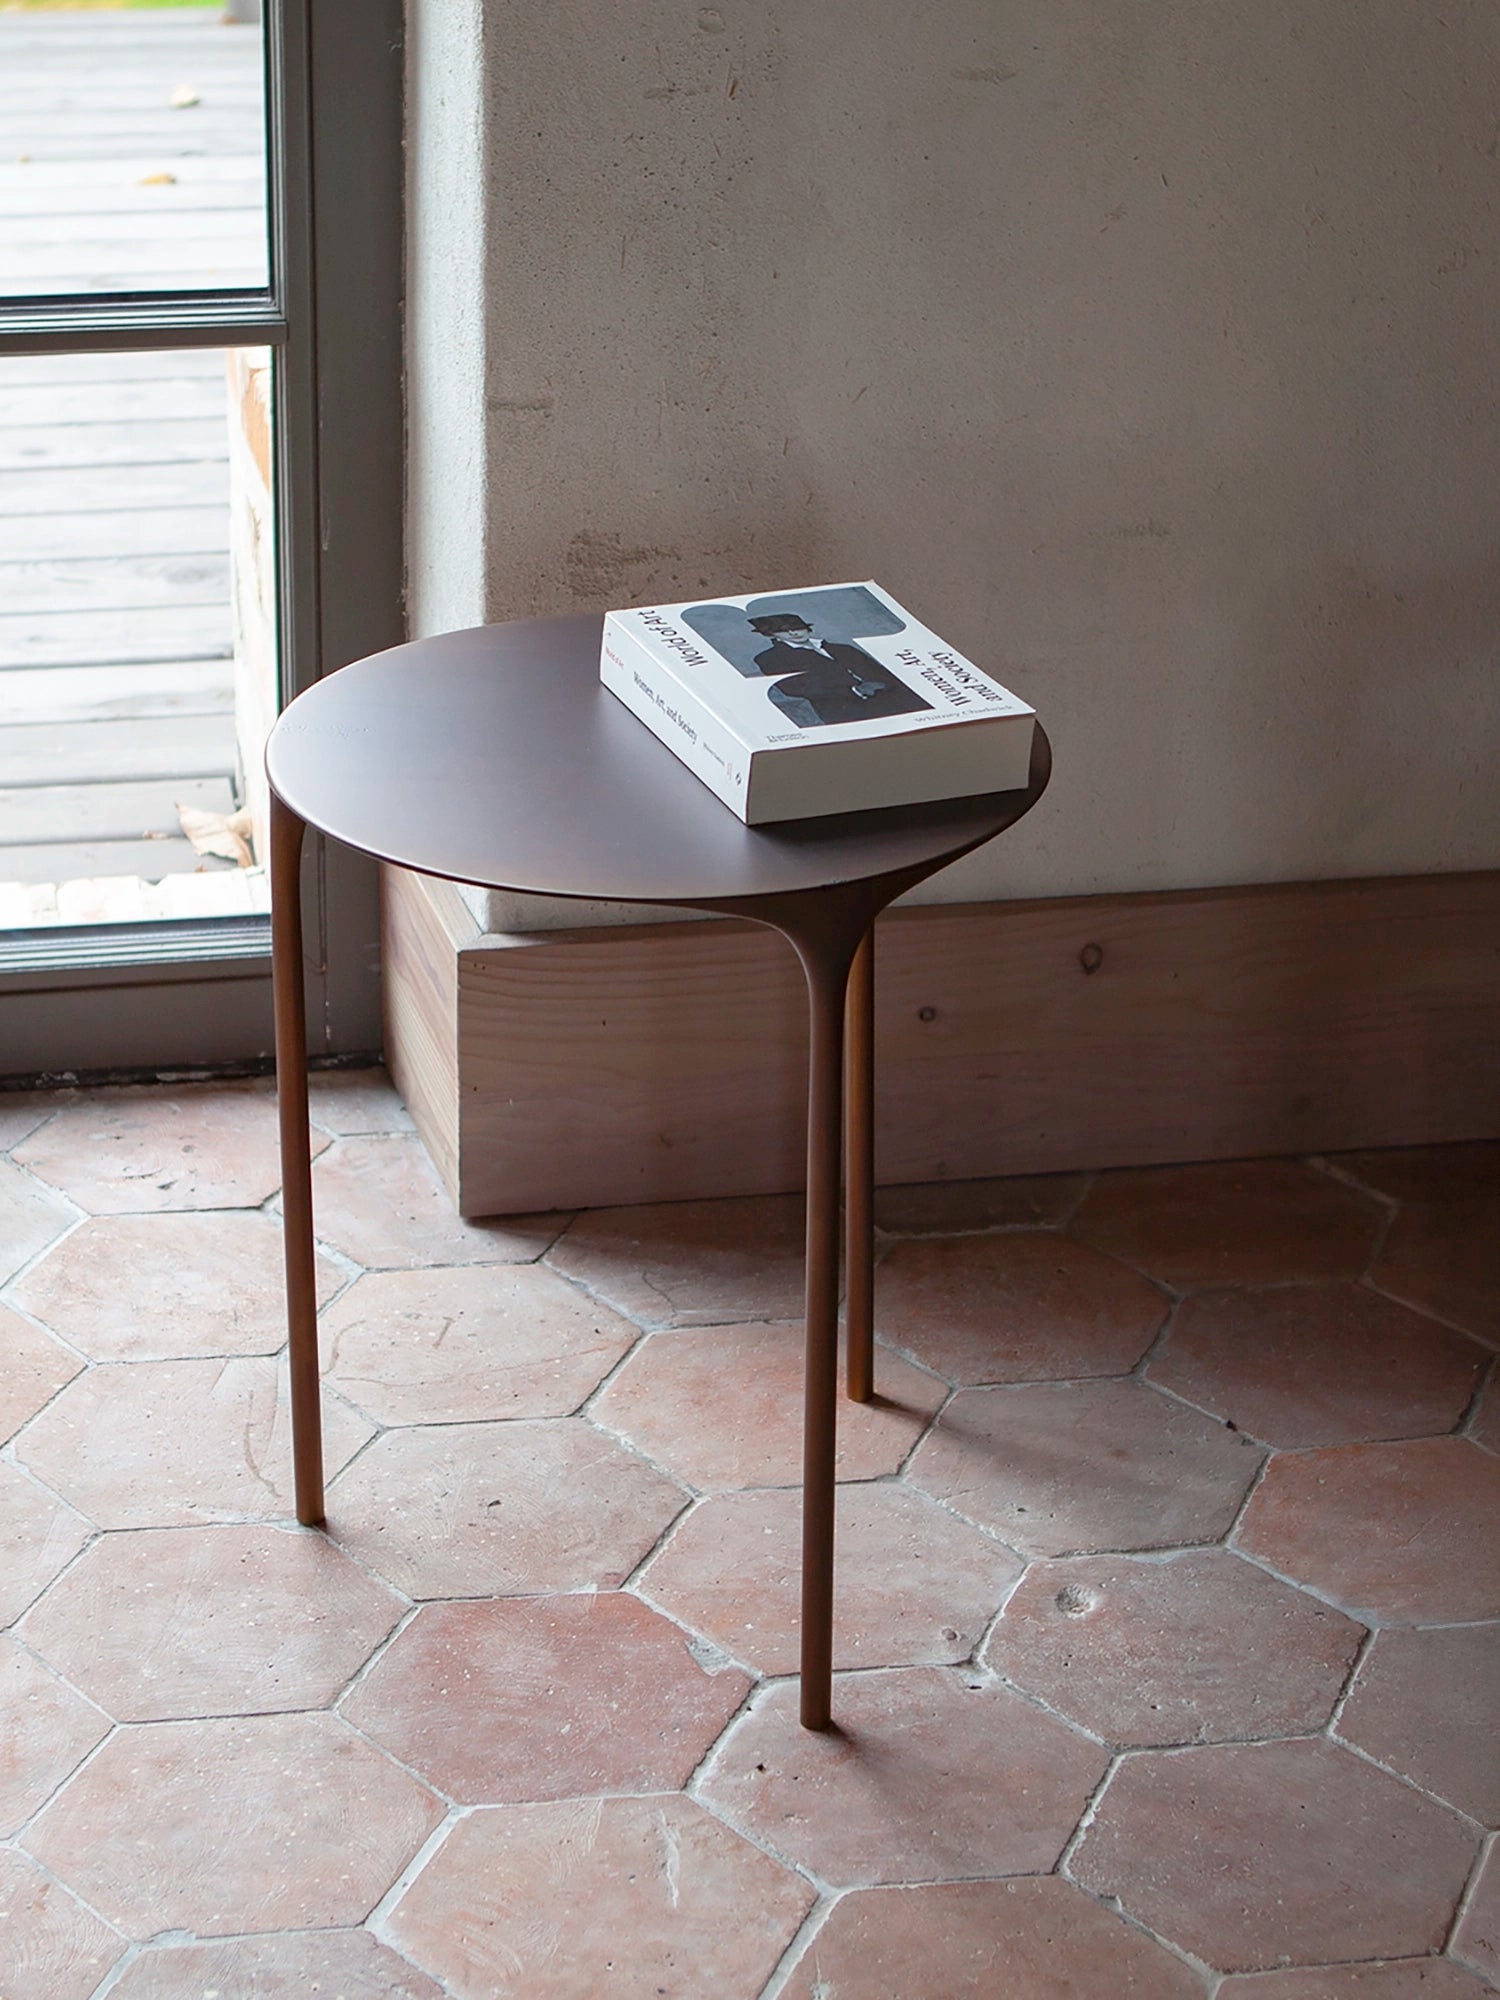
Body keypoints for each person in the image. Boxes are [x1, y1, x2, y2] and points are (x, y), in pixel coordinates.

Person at [747, 612, 932, 729]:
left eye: (797, 628)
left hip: (897, 700)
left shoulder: (843, 649)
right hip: (845, 711)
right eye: (785, 631)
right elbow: (793, 687)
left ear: (807, 628)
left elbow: (884, 673)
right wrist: (853, 690)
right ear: (771, 635)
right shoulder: (770, 658)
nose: (794, 633)